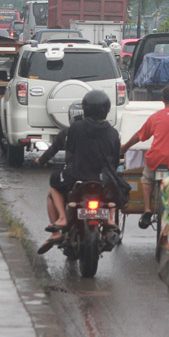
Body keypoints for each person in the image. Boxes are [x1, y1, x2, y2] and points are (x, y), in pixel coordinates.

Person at [39, 90, 122, 253]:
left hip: (77, 176)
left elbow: (69, 151)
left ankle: (62, 219)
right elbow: (115, 159)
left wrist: (40, 161)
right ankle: (110, 218)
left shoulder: (74, 129)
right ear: (107, 110)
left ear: (85, 109)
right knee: (115, 186)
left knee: (54, 185)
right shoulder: (113, 132)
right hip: (104, 179)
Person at [119, 84, 169, 229]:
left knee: (147, 178)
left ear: (162, 100)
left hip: (155, 159)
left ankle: (147, 208)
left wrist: (125, 147)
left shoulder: (155, 117)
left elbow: (139, 136)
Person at [36, 101, 83, 230]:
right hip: (98, 175)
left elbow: (52, 150)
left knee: (54, 188)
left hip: (73, 175)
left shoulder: (67, 134)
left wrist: (40, 161)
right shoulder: (102, 131)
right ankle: (110, 222)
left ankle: (61, 219)